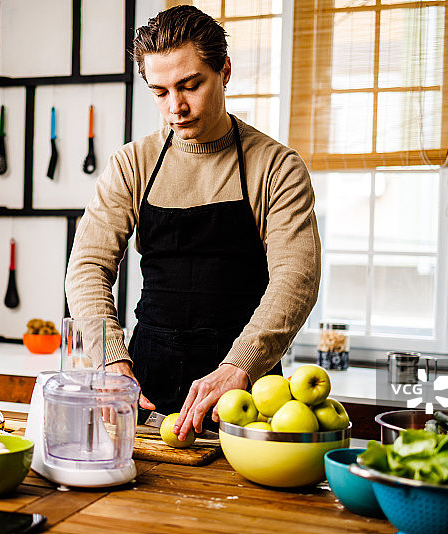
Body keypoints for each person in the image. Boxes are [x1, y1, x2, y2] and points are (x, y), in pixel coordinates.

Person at [65, 5, 320, 442]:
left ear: (224, 72)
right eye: (160, 92)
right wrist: (110, 360)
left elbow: (296, 278)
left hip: (248, 399)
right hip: (145, 390)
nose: (175, 108)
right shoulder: (133, 163)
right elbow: (87, 267)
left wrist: (239, 365)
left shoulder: (276, 166)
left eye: (190, 85)